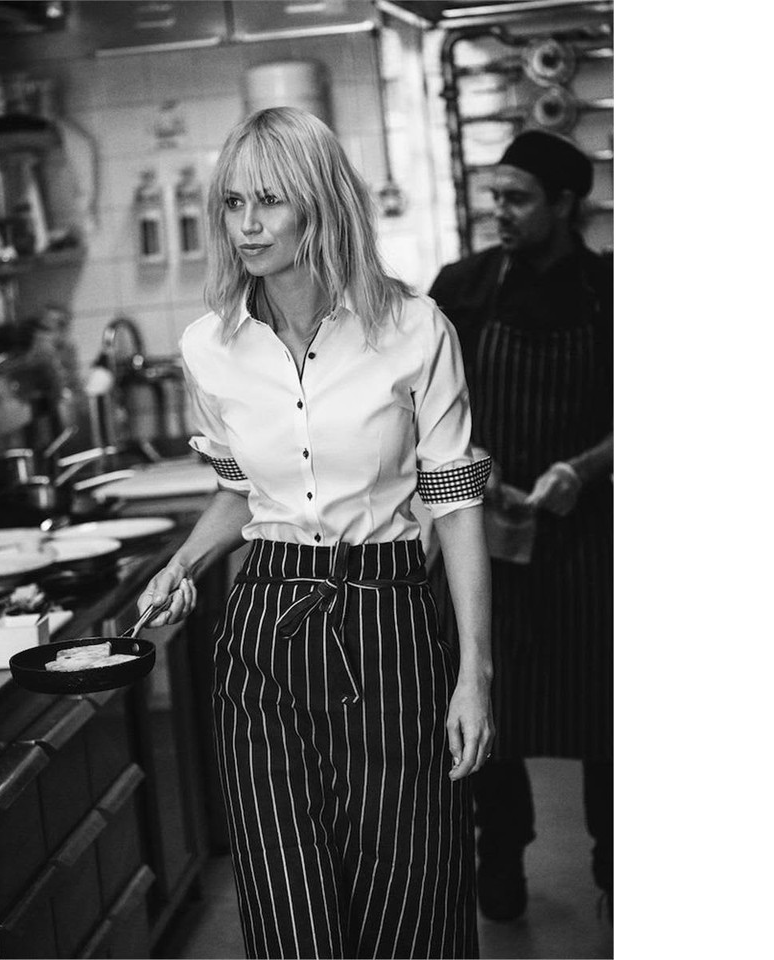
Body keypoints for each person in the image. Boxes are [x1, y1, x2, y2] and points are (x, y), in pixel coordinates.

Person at [135, 106, 494, 960]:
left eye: (270, 201)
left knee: (411, 889)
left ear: (320, 203)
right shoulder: (210, 347)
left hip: (390, 624)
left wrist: (474, 673)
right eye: (233, 203)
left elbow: (453, 503)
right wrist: (183, 562)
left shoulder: (415, 329)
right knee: (286, 896)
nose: (247, 225)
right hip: (266, 630)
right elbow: (243, 495)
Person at [428, 129, 614, 923]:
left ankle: (618, 868)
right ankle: (499, 857)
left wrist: (585, 469)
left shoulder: (614, 291)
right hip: (490, 538)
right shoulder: (462, 287)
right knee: (488, 706)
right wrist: (472, 458)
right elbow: (424, 405)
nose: (498, 211)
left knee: (608, 712)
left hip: (589, 541)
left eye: (517, 198)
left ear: (565, 204)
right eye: (494, 196)